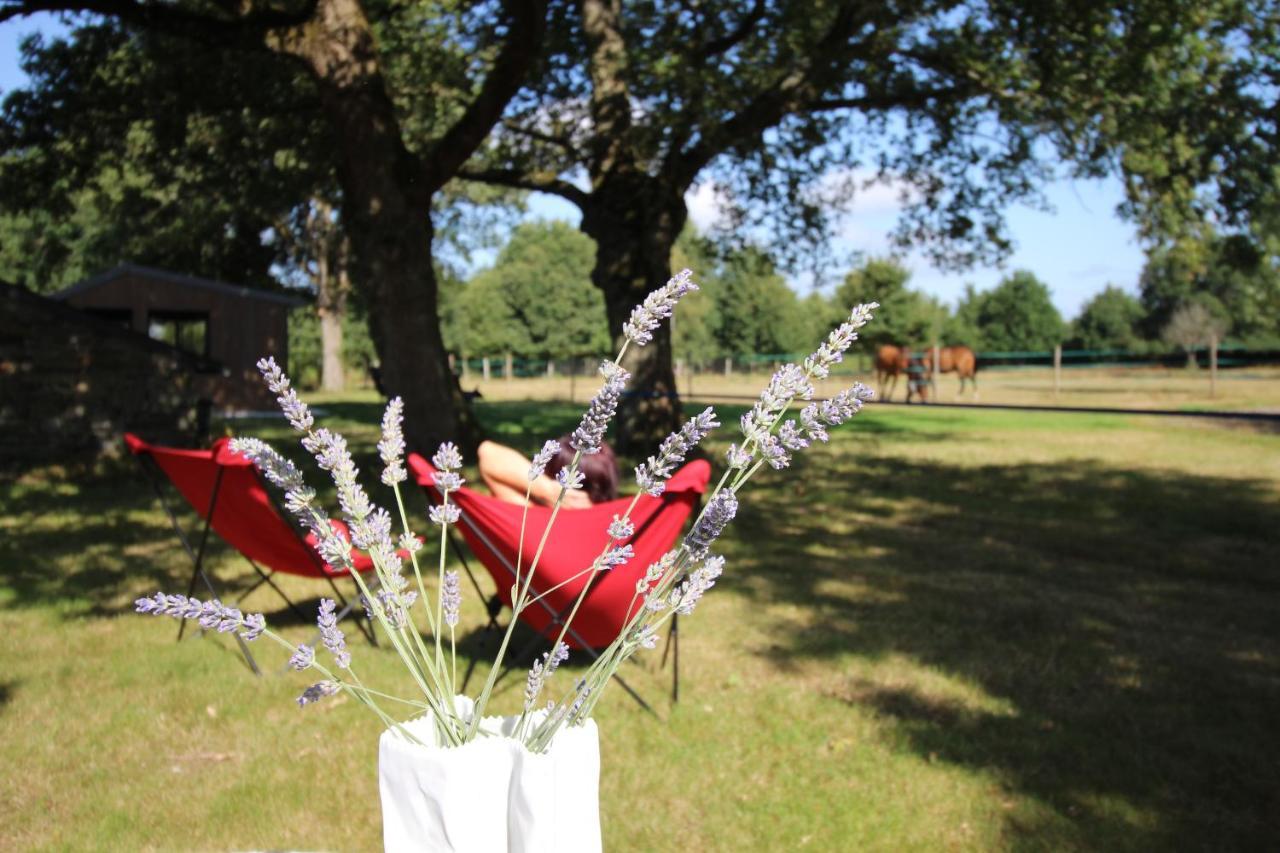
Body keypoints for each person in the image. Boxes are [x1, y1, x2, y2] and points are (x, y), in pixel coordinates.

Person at [477, 435, 619, 509]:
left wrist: (545, 488)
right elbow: (486, 452)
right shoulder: (623, 526)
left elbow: (487, 452)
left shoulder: (530, 520)